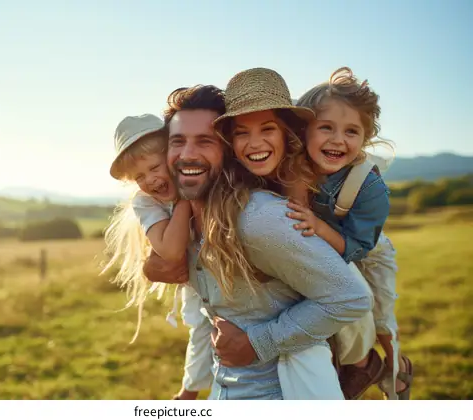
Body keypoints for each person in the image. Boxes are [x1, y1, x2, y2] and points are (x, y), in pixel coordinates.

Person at [142, 83, 374, 400]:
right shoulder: (187, 217)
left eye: (205, 141)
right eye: (178, 141)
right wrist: (152, 265)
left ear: (226, 151)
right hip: (227, 388)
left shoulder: (257, 216)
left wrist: (257, 343)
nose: (188, 154)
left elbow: (351, 297)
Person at [286, 67, 413, 400]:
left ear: (364, 138)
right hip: (322, 243)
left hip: (367, 248)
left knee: (379, 309)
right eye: (325, 127)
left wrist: (319, 226)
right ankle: (346, 361)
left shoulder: (369, 187)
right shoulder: (292, 165)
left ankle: (392, 366)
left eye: (352, 131)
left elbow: (358, 247)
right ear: (305, 130)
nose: (338, 139)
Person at [101, 114, 214, 396]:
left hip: (228, 275)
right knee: (200, 328)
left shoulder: (205, 176)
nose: (149, 180)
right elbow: (170, 250)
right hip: (198, 282)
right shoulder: (146, 201)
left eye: (154, 167)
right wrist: (186, 202)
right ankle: (189, 393)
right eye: (139, 176)